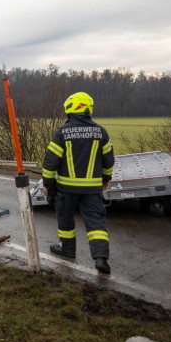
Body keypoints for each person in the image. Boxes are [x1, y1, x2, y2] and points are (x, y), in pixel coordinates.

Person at [41, 92, 114, 274]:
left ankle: (67, 249)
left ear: (70, 109)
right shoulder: (101, 132)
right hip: (92, 190)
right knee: (96, 222)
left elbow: (51, 161)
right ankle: (100, 258)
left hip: (67, 189)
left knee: (65, 217)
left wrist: (48, 183)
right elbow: (108, 160)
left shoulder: (62, 132)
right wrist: (106, 179)